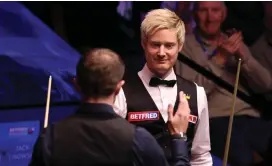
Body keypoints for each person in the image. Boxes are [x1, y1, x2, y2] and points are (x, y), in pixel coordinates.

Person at [29, 48, 192, 166]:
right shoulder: (137, 139)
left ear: (76, 85)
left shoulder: (50, 136)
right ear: (119, 87)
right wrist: (178, 138)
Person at [174, 1, 272, 166]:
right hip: (216, 118)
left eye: (215, 10)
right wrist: (219, 59)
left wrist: (246, 59)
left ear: (223, 15)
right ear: (194, 15)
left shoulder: (233, 41)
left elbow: (266, 85)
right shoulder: (184, 47)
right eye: (203, 11)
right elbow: (189, 95)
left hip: (250, 115)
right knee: (243, 159)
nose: (210, 17)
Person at [114, 9, 212, 166]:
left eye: (169, 46)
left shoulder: (197, 93)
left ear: (180, 46)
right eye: (155, 45)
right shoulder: (122, 92)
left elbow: (200, 156)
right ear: (143, 44)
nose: (162, 53)